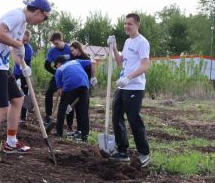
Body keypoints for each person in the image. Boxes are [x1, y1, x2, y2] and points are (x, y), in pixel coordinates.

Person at [0, 0, 51, 162]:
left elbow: (13, 48)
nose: (41, 22)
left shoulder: (23, 23)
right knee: (1, 108)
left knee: (18, 99)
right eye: (43, 18)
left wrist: (22, 66)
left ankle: (11, 142)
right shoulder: (16, 16)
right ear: (38, 12)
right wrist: (18, 45)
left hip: (2, 65)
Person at [107, 13, 151, 168]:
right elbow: (120, 62)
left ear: (137, 25)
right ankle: (122, 150)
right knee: (116, 116)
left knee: (134, 120)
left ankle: (144, 153)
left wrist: (129, 78)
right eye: (125, 23)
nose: (126, 26)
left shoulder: (142, 42)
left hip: (135, 87)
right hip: (123, 86)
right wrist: (114, 47)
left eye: (129, 24)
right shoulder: (127, 41)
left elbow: (145, 66)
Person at [52, 55, 98, 141]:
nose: (56, 68)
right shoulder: (76, 61)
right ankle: (84, 136)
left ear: (58, 63)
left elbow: (60, 90)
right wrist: (92, 77)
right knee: (84, 111)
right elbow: (93, 62)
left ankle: (59, 132)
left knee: (62, 109)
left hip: (70, 85)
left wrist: (65, 101)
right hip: (84, 85)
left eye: (56, 66)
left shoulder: (59, 70)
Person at [43, 32, 71, 126]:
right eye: (54, 44)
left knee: (67, 97)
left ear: (61, 40)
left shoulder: (70, 48)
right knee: (49, 93)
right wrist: (56, 73)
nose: (55, 45)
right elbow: (46, 66)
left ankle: (67, 122)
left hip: (69, 76)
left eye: (56, 43)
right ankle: (48, 115)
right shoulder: (52, 51)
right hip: (58, 75)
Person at [13, 29, 33, 124]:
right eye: (24, 40)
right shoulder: (17, 46)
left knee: (24, 95)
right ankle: (12, 115)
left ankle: (23, 117)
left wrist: (22, 78)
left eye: (27, 40)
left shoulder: (28, 49)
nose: (25, 42)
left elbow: (25, 64)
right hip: (15, 74)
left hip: (24, 75)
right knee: (13, 95)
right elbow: (13, 55)